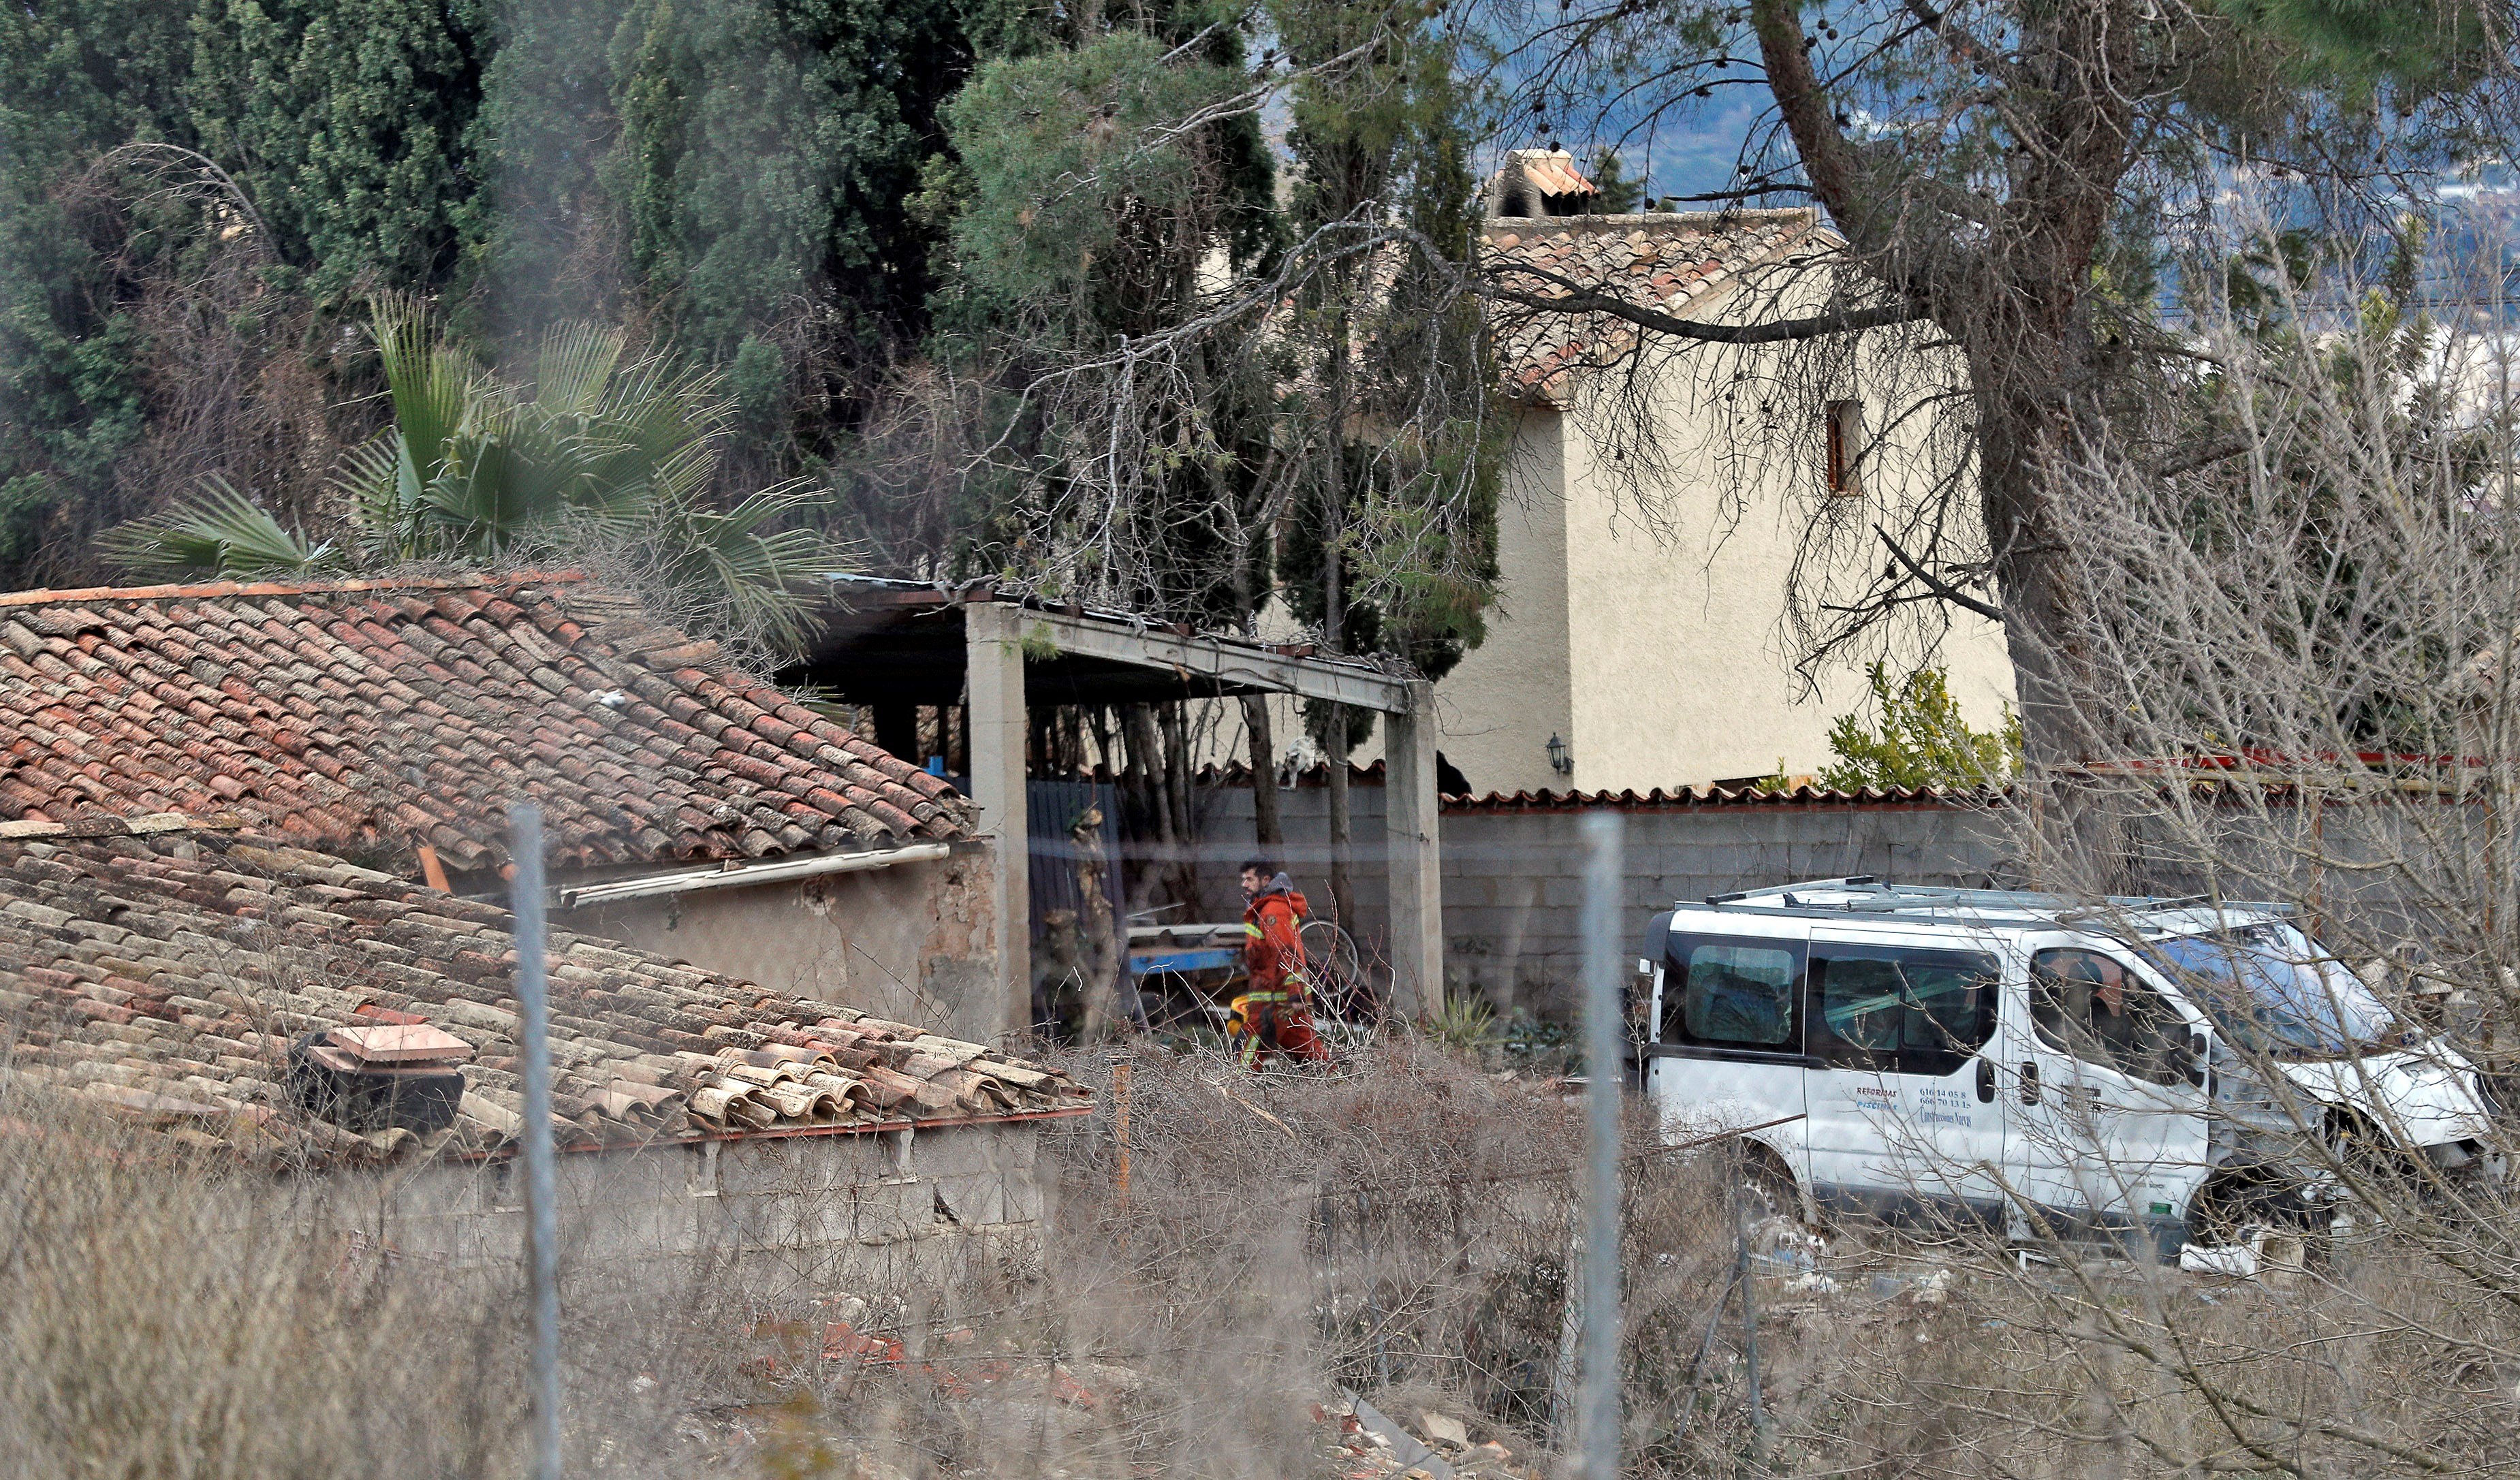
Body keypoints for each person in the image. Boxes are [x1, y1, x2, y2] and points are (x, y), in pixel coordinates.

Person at [1229, 860, 1331, 1069]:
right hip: (1282, 1001)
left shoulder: (1273, 911)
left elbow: (1286, 953)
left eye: (1249, 879)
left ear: (1265, 881)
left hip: (1276, 1002)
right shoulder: (1264, 909)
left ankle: (1234, 1092)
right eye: (1243, 880)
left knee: (1244, 1058)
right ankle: (1341, 1086)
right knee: (1311, 1055)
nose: (1244, 885)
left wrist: (1294, 994)